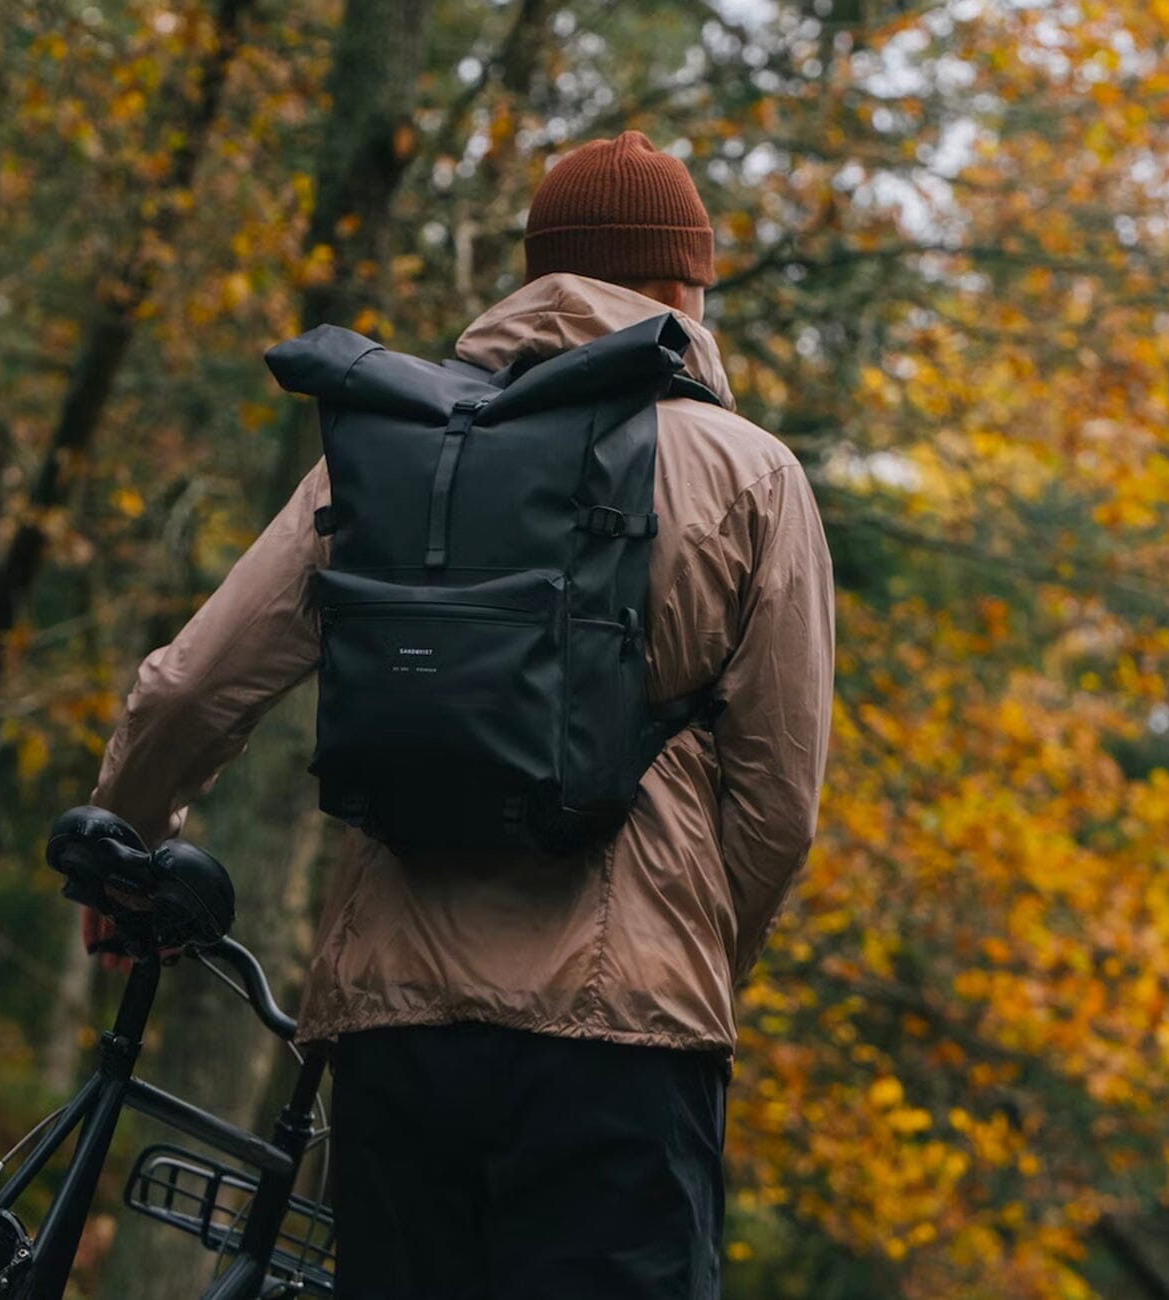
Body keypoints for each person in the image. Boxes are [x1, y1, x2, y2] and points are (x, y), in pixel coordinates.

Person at [90, 130, 835, 1299]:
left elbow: (190, 686)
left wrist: (129, 849)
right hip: (626, 1055)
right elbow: (777, 805)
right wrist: (686, 960)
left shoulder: (390, 451)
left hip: (397, 1032)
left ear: (534, 273)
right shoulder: (748, 473)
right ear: (683, 287)